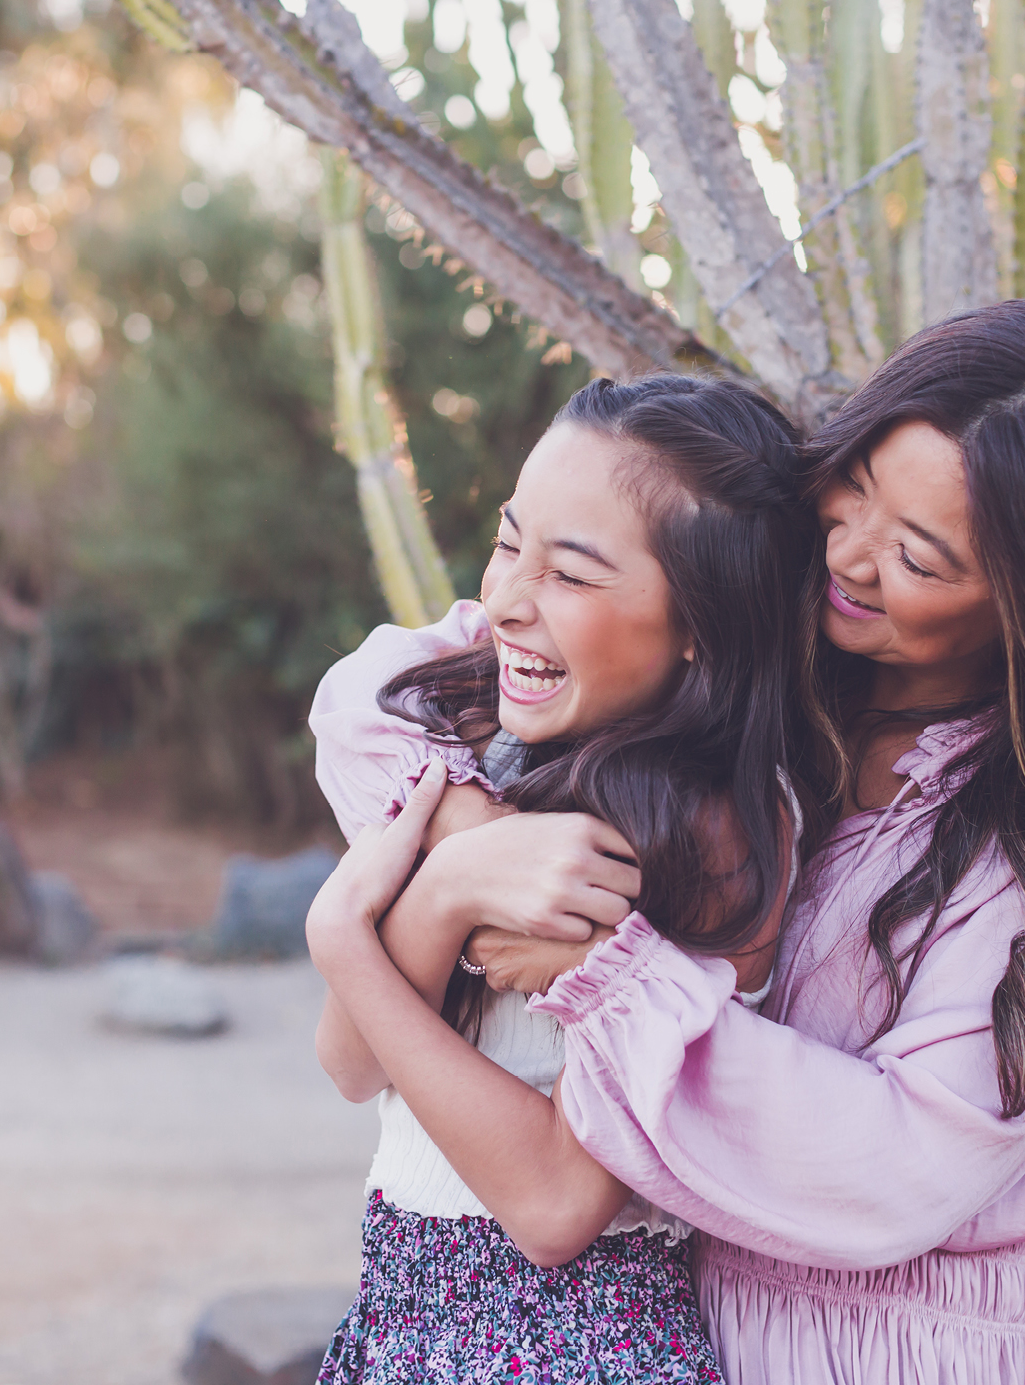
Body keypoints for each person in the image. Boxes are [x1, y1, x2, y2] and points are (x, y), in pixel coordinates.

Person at [401, 299, 1025, 1382]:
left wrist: (603, 967)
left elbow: (897, 1165)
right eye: (852, 491)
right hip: (666, 1328)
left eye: (919, 553)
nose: (848, 556)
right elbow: (392, 684)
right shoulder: (748, 646)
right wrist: (470, 838)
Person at [305, 375, 824, 1382]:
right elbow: (351, 1061)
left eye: (571, 574)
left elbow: (553, 1207)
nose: (503, 600)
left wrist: (354, 936)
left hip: (572, 1337)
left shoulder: (716, 834)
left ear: (700, 623)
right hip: (410, 1307)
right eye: (508, 542)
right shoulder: (484, 751)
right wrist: (459, 871)